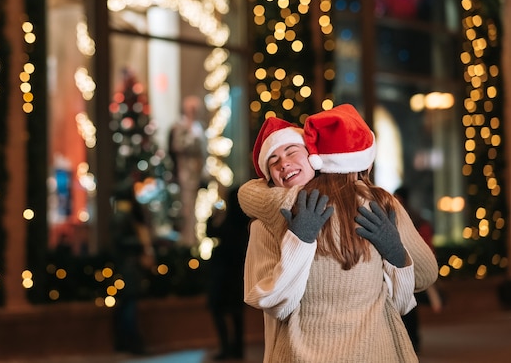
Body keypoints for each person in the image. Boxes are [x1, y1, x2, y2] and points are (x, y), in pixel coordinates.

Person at [238, 104, 439, 362]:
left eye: (291, 151)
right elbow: (275, 304)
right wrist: (299, 240)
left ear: (314, 156)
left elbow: (415, 284)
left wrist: (396, 253)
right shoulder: (268, 222)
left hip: (373, 352)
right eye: (272, 161)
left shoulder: (377, 205)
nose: (283, 163)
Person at [394, 185, 443, 353]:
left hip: (409, 264)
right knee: (408, 307)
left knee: (409, 308)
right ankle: (412, 340)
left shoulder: (407, 217)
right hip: (408, 264)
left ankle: (412, 340)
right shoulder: (412, 216)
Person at [111, 184, 156, 355]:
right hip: (128, 266)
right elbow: (119, 241)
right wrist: (141, 245)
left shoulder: (124, 215)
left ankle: (124, 341)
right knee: (128, 304)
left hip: (128, 265)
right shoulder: (123, 216)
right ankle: (132, 342)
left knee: (126, 304)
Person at [206, 186, 250, 360]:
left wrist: (212, 216)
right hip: (238, 273)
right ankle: (238, 349)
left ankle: (226, 348)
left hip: (223, 273)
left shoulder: (228, 220)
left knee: (219, 310)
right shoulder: (246, 221)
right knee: (236, 313)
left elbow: (211, 233)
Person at [168, 95, 207, 246]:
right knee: (186, 208)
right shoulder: (180, 127)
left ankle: (195, 240)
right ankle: (187, 242)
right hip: (185, 174)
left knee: (196, 209)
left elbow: (203, 150)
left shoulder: (199, 126)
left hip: (198, 173)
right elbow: (177, 146)